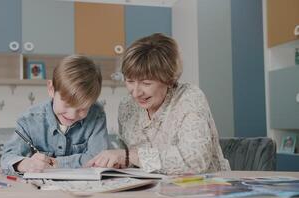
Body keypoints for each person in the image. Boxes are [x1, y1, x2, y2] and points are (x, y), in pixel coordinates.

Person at [86, 33, 230, 174]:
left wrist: (130, 156)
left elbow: (196, 161)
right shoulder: (127, 106)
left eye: (146, 83)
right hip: (153, 189)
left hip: (206, 188)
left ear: (168, 79)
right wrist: (122, 162)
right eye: (130, 81)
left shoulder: (189, 98)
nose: (135, 93)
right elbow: (130, 159)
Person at [1, 55, 109, 174]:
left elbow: (99, 158)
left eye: (82, 109)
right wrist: (25, 164)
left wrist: (57, 164)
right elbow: (7, 158)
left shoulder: (96, 114)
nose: (72, 115)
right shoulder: (29, 119)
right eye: (67, 104)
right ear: (51, 89)